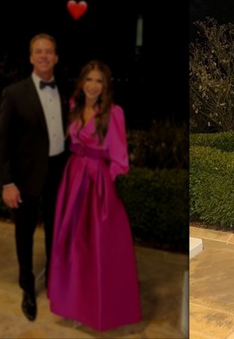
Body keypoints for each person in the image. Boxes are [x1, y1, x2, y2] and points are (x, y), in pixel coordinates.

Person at [47, 60, 141, 331]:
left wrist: (104, 185)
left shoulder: (114, 112)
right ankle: (72, 304)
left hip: (97, 182)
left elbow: (120, 158)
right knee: (72, 243)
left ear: (105, 86)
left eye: (98, 81)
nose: (92, 86)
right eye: (89, 79)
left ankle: (99, 308)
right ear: (81, 82)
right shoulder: (74, 108)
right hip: (72, 176)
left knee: (97, 246)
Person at [0, 33, 68, 322]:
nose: (43, 56)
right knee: (23, 235)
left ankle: (54, 280)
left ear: (55, 58)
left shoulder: (64, 91)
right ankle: (27, 287)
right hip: (24, 179)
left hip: (57, 174)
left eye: (48, 52)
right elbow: (2, 142)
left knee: (56, 231)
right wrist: (7, 182)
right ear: (31, 57)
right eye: (38, 52)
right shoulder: (14, 93)